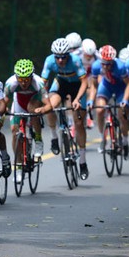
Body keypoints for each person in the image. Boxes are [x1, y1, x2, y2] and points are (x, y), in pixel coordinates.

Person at [41, 38, 90, 180]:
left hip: (77, 87)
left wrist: (77, 99)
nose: (61, 60)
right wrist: (44, 99)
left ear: (68, 55)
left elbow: (84, 82)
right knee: (50, 105)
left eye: (63, 57)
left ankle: (82, 161)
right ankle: (54, 137)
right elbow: (43, 83)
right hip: (61, 83)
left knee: (79, 123)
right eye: (58, 57)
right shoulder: (49, 60)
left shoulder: (75, 60)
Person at [3, 59, 52, 183]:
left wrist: (42, 109)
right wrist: (3, 113)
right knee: (14, 131)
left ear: (32, 77)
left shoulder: (38, 83)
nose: (23, 83)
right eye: (21, 79)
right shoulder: (11, 83)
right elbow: (3, 103)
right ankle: (18, 166)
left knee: (32, 110)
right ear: (16, 77)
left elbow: (49, 105)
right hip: (19, 102)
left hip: (34, 100)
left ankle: (38, 139)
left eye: (26, 79)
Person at [87, 46, 129, 158]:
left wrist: (125, 100)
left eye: (109, 64)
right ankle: (103, 138)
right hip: (106, 87)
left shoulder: (120, 67)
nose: (106, 66)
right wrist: (90, 101)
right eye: (103, 63)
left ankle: (125, 142)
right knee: (99, 110)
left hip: (120, 89)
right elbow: (94, 86)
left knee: (122, 115)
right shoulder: (96, 66)